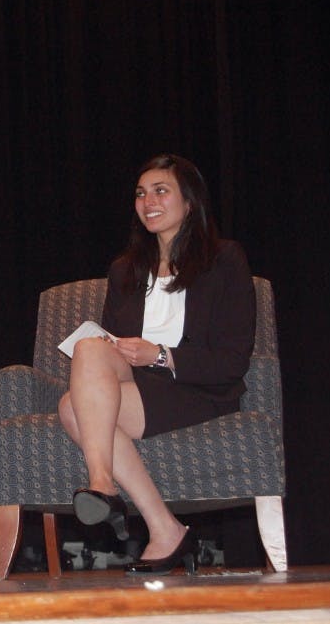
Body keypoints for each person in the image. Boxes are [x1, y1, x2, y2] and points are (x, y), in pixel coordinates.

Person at [57, 153, 255, 575]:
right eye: (141, 193)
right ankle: (111, 490)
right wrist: (116, 348)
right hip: (137, 381)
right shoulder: (124, 270)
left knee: (72, 408)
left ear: (190, 202)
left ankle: (147, 518)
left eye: (161, 191)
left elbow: (233, 360)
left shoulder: (225, 260)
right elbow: (108, 347)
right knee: (91, 348)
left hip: (198, 389)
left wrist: (161, 355)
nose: (148, 201)